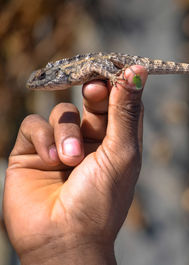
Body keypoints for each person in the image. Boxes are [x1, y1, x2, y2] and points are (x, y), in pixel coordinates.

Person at [3, 65, 148, 265]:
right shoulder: (70, 74)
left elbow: (95, 64)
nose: (39, 84)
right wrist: (58, 249)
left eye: (44, 78)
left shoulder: (74, 71)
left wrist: (112, 76)